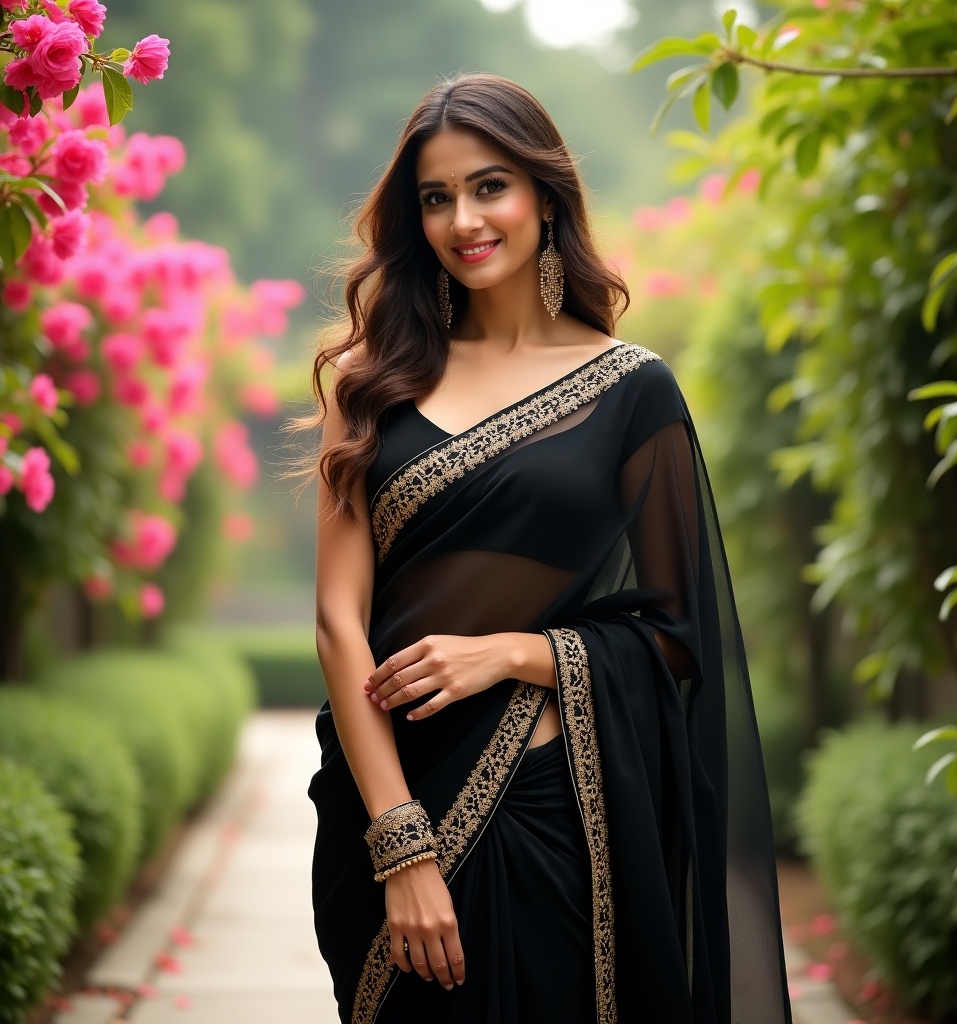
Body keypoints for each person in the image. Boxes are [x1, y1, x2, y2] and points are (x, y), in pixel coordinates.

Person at [306, 72, 792, 1024]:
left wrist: (516, 655)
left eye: (489, 185)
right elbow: (336, 620)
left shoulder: (630, 391)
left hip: (551, 805)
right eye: (436, 198)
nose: (463, 219)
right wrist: (399, 846)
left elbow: (681, 632)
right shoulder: (370, 385)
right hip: (387, 801)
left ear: (544, 192)